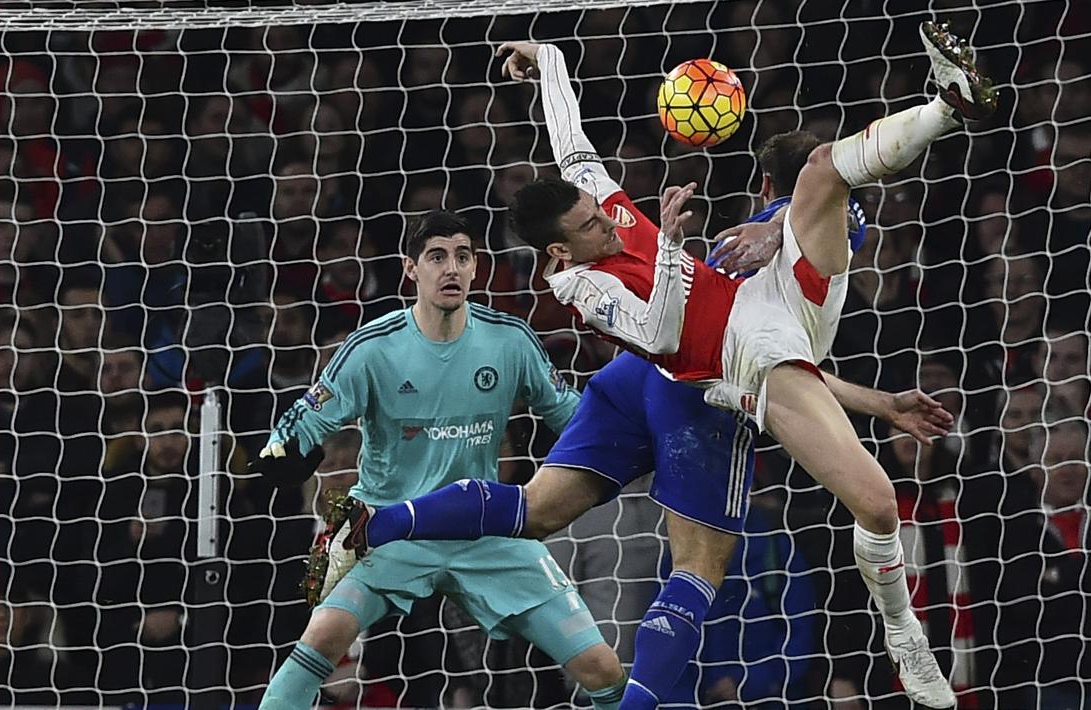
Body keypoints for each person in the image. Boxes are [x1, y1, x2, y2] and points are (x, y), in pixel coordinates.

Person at [317, 24, 991, 708]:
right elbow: (660, 334)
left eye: (598, 209)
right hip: (703, 372)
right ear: (558, 255)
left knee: (536, 513)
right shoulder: (581, 287)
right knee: (737, 552)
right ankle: (903, 638)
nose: (609, 220)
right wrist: (669, 246)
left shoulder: (606, 205)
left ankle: (373, 523)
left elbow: (571, 139)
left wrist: (547, 59)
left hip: (688, 369)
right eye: (590, 227)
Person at [249, 210, 627, 709]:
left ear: (474, 268)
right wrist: (286, 447)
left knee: (603, 670)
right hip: (387, 530)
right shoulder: (373, 348)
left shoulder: (509, 341)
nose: (451, 268)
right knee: (320, 639)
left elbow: (572, 417)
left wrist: (632, 426)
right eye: (437, 257)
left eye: (462, 257)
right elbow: (308, 422)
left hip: (485, 534)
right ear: (411, 269)